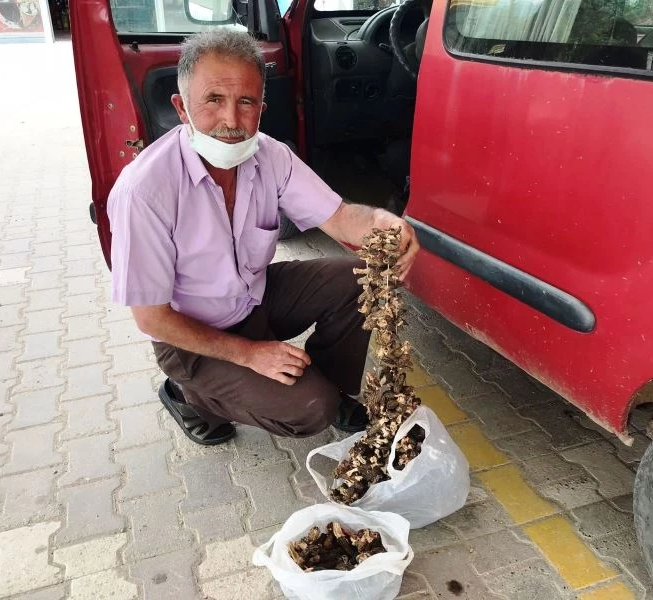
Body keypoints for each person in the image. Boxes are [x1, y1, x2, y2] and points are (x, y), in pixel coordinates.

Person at [107, 29, 419, 445]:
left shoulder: (271, 156)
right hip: (189, 338)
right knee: (312, 409)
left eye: (246, 102)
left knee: (360, 279)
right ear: (182, 108)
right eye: (213, 100)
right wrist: (250, 355)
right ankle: (187, 394)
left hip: (254, 300)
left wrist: (384, 221)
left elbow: (342, 217)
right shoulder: (144, 190)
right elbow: (152, 318)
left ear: (261, 109)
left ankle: (326, 385)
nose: (231, 121)